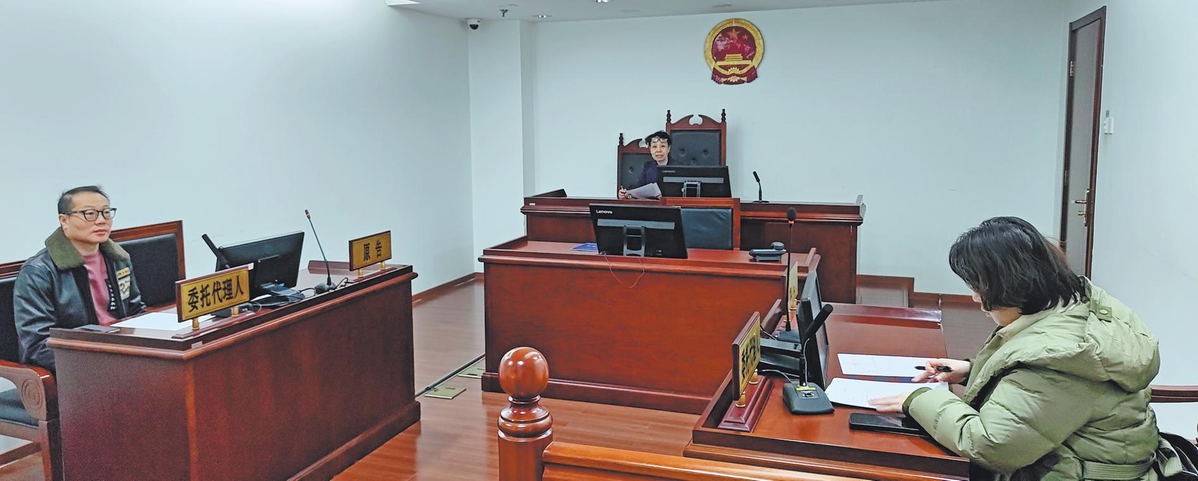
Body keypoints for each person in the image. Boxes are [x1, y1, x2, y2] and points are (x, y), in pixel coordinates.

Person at [869, 216, 1182, 480]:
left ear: (1007, 285)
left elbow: (992, 446)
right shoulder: (1075, 304)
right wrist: (972, 370)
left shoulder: (1062, 357)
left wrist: (918, 400)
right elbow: (1033, 390)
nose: (975, 298)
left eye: (978, 287)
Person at [13, 186, 145, 371]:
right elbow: (38, 344)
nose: (101, 220)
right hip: (76, 367)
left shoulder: (118, 259)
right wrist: (98, 364)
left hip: (122, 354)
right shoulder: (38, 272)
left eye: (106, 212)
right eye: (89, 214)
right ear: (64, 220)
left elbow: (135, 312)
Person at [618, 130, 671, 199]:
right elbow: (639, 188)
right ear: (650, 149)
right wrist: (626, 194)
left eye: (662, 146)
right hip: (651, 204)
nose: (658, 150)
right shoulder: (647, 166)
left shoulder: (679, 167)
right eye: (654, 147)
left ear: (668, 148)